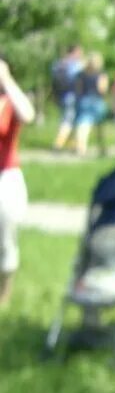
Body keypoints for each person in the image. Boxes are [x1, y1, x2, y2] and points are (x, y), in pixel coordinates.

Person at [0, 56, 36, 306]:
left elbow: (28, 114)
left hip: (6, 179)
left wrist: (7, 79)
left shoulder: (9, 103)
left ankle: (4, 293)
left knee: (4, 239)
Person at [74, 53, 109, 157]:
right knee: (99, 126)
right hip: (97, 100)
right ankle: (101, 147)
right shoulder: (101, 74)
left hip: (84, 100)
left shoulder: (81, 74)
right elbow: (102, 89)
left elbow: (78, 89)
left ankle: (81, 148)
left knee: (83, 125)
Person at [51, 44, 83, 151]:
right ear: (75, 52)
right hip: (73, 96)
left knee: (68, 119)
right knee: (68, 120)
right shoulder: (76, 65)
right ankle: (58, 144)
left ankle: (71, 145)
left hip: (61, 96)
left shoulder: (58, 64)